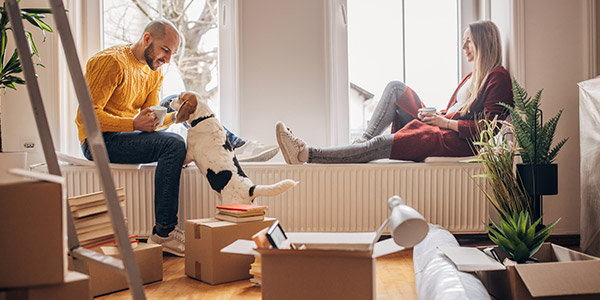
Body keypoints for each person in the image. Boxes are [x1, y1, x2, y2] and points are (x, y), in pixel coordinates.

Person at [75, 20, 276, 257]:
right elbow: (86, 116)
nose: (168, 59)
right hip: (99, 141)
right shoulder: (111, 62)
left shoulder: (153, 71)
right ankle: (165, 231)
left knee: (182, 99)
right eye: (165, 50)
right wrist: (132, 123)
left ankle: (232, 143)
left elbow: (151, 114)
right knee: (173, 144)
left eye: (172, 53)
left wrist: (173, 117)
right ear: (147, 39)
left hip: (128, 133)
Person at [276, 20, 513, 164]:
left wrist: (443, 122)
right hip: (438, 125)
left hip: (447, 138)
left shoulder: (498, 78)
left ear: (484, 43)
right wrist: (437, 116)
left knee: (374, 147)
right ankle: (361, 142)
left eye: (469, 42)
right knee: (396, 87)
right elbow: (454, 111)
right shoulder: (472, 77)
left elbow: (488, 129)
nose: (463, 47)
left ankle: (305, 153)